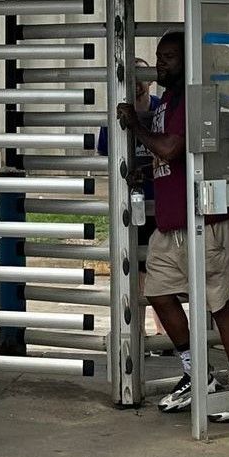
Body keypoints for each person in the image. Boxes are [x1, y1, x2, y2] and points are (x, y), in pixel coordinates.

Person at [117, 32, 229, 422]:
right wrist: (146, 171)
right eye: (159, 56)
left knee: (219, 304)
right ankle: (197, 375)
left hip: (205, 220)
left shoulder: (195, 99)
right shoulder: (168, 100)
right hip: (171, 224)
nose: (160, 63)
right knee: (157, 292)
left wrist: (135, 126)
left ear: (189, 60)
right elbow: (168, 159)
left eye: (169, 57)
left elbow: (171, 148)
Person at [100, 57, 164, 340]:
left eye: (142, 76)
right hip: (128, 204)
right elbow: (106, 154)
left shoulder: (162, 109)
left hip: (160, 204)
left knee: (162, 270)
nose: (137, 83)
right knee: (133, 271)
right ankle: (135, 332)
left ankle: (164, 335)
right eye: (131, 76)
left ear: (151, 80)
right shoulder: (114, 115)